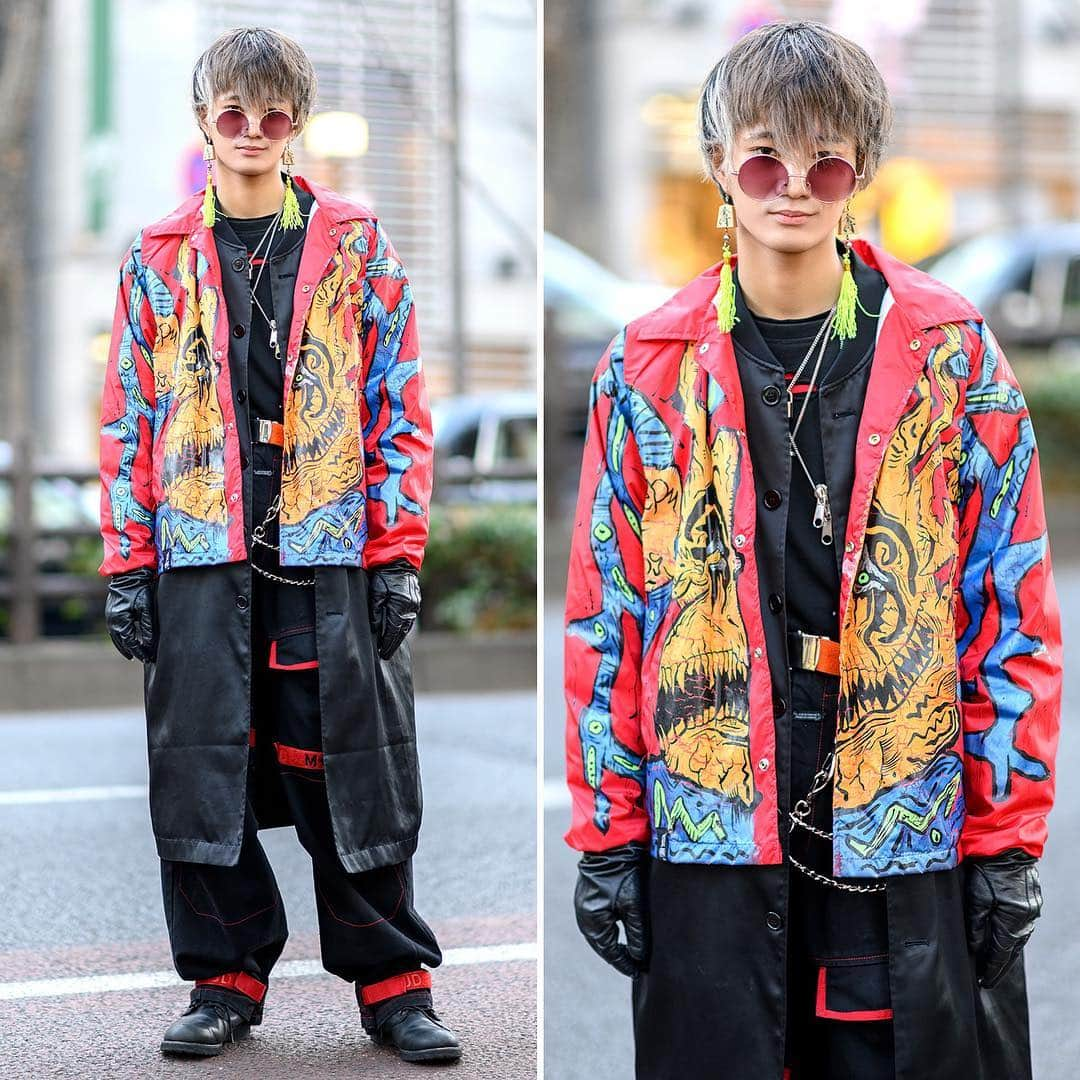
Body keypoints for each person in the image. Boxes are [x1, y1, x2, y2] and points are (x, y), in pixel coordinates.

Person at [563, 20, 1062, 1080]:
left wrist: (1007, 839)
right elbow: (609, 618)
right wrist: (607, 832)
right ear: (716, 166)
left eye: (824, 160)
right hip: (713, 813)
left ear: (862, 174)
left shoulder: (951, 353)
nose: (792, 184)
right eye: (762, 157)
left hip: (903, 810)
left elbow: (1010, 611)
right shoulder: (645, 367)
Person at [98, 26, 460, 1064]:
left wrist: (396, 555)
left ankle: (396, 985)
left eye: (273, 114)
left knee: (357, 771)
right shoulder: (158, 255)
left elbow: (399, 403)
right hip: (198, 552)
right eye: (232, 114)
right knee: (203, 770)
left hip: (328, 550)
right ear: (205, 123)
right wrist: (129, 563)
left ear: (295, 125)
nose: (253, 133)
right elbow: (129, 418)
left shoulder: (356, 243)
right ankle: (222, 981)